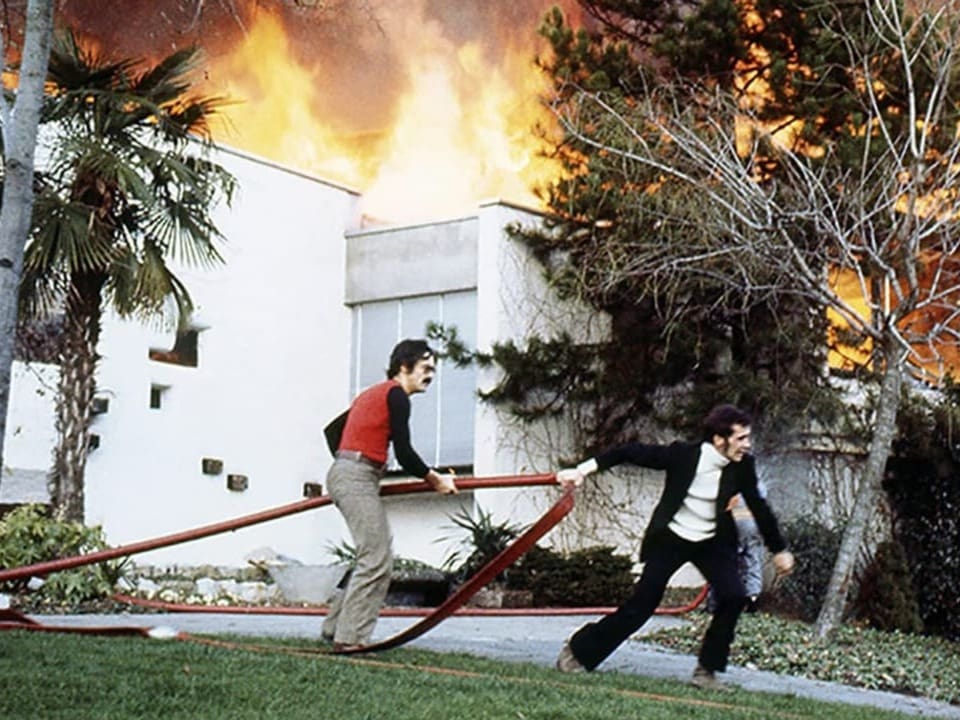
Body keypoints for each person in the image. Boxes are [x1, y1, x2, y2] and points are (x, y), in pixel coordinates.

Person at [554, 404, 795, 690]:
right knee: (641, 607)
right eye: (741, 438)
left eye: (747, 438)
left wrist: (779, 549)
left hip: (712, 542)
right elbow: (628, 452)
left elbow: (758, 505)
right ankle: (578, 651)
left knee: (733, 596)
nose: (747, 444)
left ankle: (706, 672)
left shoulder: (743, 465)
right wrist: (582, 470)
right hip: (671, 539)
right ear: (720, 439)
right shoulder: (682, 455)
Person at [321, 339, 458, 651]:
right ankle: (350, 639)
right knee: (377, 559)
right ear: (403, 367)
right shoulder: (396, 394)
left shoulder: (372, 393)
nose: (430, 376)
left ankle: (334, 628)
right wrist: (435, 480)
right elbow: (405, 453)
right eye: (425, 368)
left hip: (353, 473)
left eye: (433, 370)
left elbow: (332, 432)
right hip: (356, 476)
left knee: (371, 555)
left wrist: (351, 460)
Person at [706, 481, 767, 614]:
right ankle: (753, 600)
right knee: (752, 561)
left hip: (734, 524)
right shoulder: (759, 484)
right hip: (753, 526)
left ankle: (714, 603)